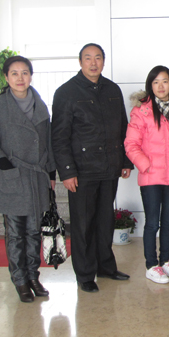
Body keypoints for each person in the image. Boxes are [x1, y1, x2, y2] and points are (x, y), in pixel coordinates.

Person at [51, 43, 133, 293]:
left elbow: (123, 126)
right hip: (81, 171)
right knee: (83, 225)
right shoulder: (66, 92)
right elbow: (59, 137)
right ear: (80, 62)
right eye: (88, 58)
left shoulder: (112, 89)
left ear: (103, 62)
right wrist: (67, 171)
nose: (93, 63)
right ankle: (85, 274)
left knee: (105, 221)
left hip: (109, 167)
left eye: (98, 58)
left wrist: (125, 160)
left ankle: (106, 267)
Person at [0, 56, 56, 302]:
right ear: (6, 77)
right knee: (15, 234)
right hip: (12, 178)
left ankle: (33, 276)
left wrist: (51, 174)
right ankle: (20, 280)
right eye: (14, 73)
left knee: (34, 232)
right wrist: (9, 167)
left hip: (36, 178)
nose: (20, 78)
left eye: (25, 73)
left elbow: (48, 143)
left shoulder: (40, 104)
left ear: (31, 76)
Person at [124, 66, 169, 284]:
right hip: (151, 176)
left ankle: (166, 261)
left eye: (165, 81)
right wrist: (145, 165)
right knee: (152, 223)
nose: (161, 86)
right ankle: (151, 265)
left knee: (168, 221)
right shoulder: (142, 111)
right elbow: (131, 144)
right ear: (150, 85)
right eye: (156, 82)